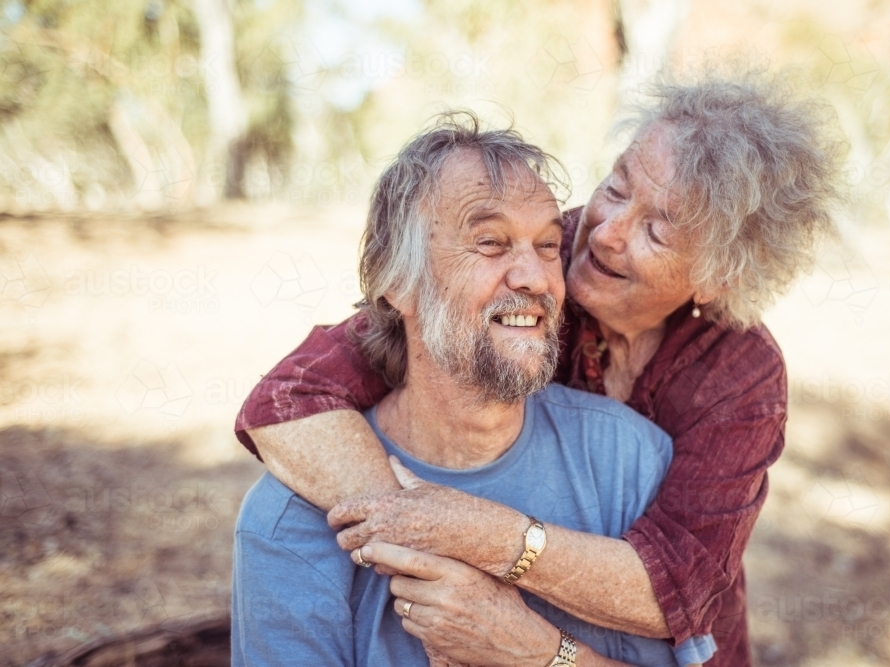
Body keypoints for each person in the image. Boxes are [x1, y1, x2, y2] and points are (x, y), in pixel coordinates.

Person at [236, 74, 842, 666]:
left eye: (656, 230)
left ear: (719, 276)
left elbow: (676, 589)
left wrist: (478, 542)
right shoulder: (546, 251)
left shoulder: (736, 376)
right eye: (617, 185)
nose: (605, 233)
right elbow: (293, 397)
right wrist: (414, 537)